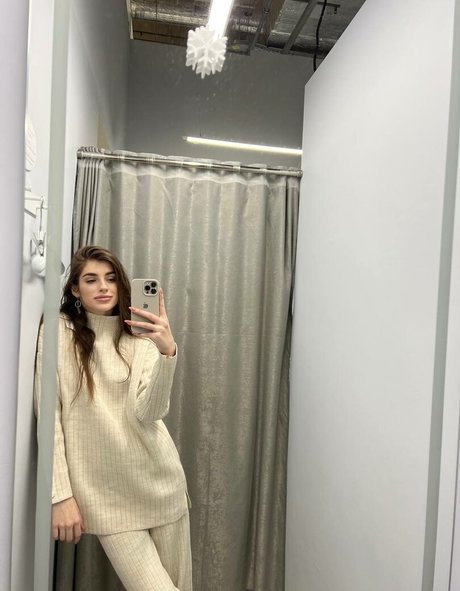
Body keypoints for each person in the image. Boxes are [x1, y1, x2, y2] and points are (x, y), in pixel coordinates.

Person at [34, 245, 192, 591]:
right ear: (75, 289)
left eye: (110, 278)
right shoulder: (57, 332)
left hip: (161, 484)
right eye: (91, 280)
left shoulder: (140, 333)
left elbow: (150, 412)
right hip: (106, 496)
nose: (103, 287)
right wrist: (59, 495)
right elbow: (49, 418)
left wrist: (167, 351)